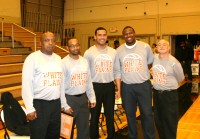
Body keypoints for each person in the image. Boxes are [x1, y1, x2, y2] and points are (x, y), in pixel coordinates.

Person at [114, 26, 155, 139]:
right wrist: (119, 89)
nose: (128, 35)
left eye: (130, 33)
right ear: (123, 36)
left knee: (147, 114)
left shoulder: (145, 46)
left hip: (143, 86)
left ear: (134, 33)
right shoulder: (118, 51)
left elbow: (150, 62)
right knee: (130, 115)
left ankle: (149, 137)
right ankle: (133, 137)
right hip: (127, 87)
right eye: (126, 34)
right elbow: (117, 71)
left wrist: (141, 72)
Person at [22, 32, 63, 139]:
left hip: (55, 105)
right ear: (40, 42)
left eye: (53, 40)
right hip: (39, 105)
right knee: (38, 136)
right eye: (46, 40)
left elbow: (60, 84)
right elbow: (27, 84)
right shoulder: (32, 58)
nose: (50, 43)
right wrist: (30, 108)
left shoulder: (58, 59)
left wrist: (63, 103)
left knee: (54, 135)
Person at [84, 27, 116, 139]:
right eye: (99, 35)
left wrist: (119, 89)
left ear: (107, 37)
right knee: (94, 116)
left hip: (109, 86)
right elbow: (86, 73)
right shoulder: (88, 53)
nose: (102, 37)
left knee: (110, 115)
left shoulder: (113, 52)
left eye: (104, 35)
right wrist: (88, 92)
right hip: (94, 87)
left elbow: (117, 71)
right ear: (95, 37)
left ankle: (111, 136)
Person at [61, 38, 96, 139]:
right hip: (69, 99)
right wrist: (64, 104)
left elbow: (88, 81)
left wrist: (92, 97)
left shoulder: (84, 61)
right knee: (67, 131)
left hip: (82, 99)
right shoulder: (63, 62)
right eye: (72, 45)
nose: (75, 47)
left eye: (77, 45)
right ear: (67, 47)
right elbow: (61, 86)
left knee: (84, 129)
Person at [152, 39, 184, 139]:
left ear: (169, 47)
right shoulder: (154, 58)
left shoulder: (174, 62)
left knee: (170, 122)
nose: (161, 46)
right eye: (159, 45)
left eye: (164, 45)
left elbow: (181, 78)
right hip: (157, 95)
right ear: (156, 48)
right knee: (159, 121)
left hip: (169, 96)